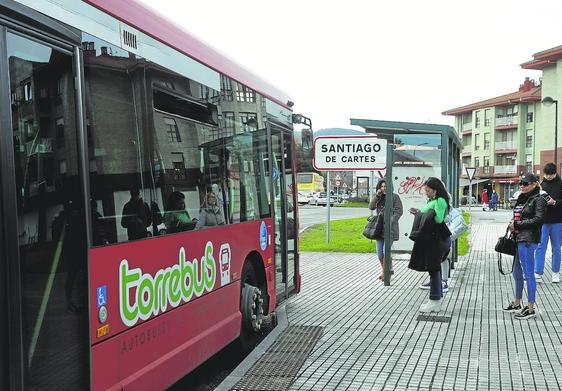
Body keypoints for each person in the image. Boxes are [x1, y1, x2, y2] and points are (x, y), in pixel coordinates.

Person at [503, 172, 546, 320]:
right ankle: (517, 302)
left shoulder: (539, 199)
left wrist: (517, 225)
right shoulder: (522, 198)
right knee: (516, 273)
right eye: (520, 183)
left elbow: (538, 220)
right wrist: (512, 224)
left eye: (525, 183)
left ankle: (530, 307)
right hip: (517, 238)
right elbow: (517, 216)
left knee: (528, 273)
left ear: (534, 184)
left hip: (528, 240)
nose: (522, 186)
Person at [408, 177, 451, 313]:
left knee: (433, 269)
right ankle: (435, 299)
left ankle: (435, 300)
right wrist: (419, 213)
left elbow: (438, 219)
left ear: (435, 190)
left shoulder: (440, 201)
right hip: (433, 239)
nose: (426, 192)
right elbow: (429, 216)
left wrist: (424, 213)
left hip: (437, 239)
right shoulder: (433, 200)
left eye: (428, 190)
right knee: (433, 269)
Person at [369, 179, 403, 281]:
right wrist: (377, 196)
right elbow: (371, 207)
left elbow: (399, 211)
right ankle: (387, 269)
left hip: (390, 228)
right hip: (379, 229)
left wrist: (390, 220)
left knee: (385, 251)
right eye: (382, 186)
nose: (384, 188)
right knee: (379, 252)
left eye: (386, 186)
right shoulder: (379, 197)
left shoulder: (395, 197)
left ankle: (385, 272)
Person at [535, 163, 562, 283]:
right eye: (546, 175)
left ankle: (555, 273)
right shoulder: (541, 184)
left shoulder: (561, 184)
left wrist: (555, 202)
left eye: (550, 175)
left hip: (558, 221)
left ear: (555, 173)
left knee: (556, 248)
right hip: (543, 221)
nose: (548, 177)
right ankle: (538, 272)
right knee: (541, 247)